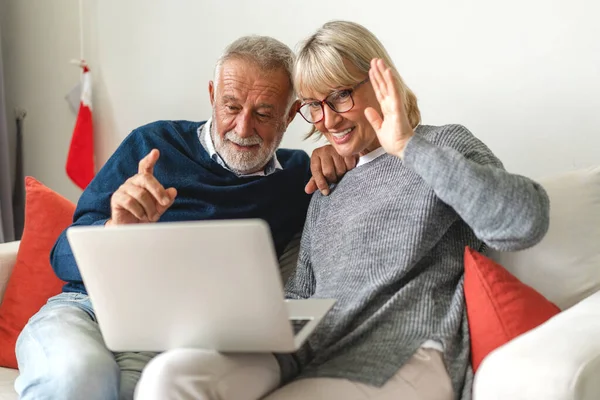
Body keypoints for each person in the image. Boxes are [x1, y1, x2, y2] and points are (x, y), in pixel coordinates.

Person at [134, 21, 551, 400]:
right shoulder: (327, 186)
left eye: (340, 97)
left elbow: (525, 222)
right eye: (314, 105)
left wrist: (408, 147)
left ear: (379, 81)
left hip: (402, 353)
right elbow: (304, 293)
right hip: (311, 354)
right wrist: (241, 321)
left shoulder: (442, 147)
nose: (328, 120)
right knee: (168, 377)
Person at [14, 35, 354, 400]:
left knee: (129, 391)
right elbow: (59, 256)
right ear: (212, 95)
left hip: (166, 339)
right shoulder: (151, 144)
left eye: (264, 114)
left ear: (290, 114)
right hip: (86, 310)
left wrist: (336, 157)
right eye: (231, 106)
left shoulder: (298, 177)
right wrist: (113, 231)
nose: (242, 128)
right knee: (77, 377)